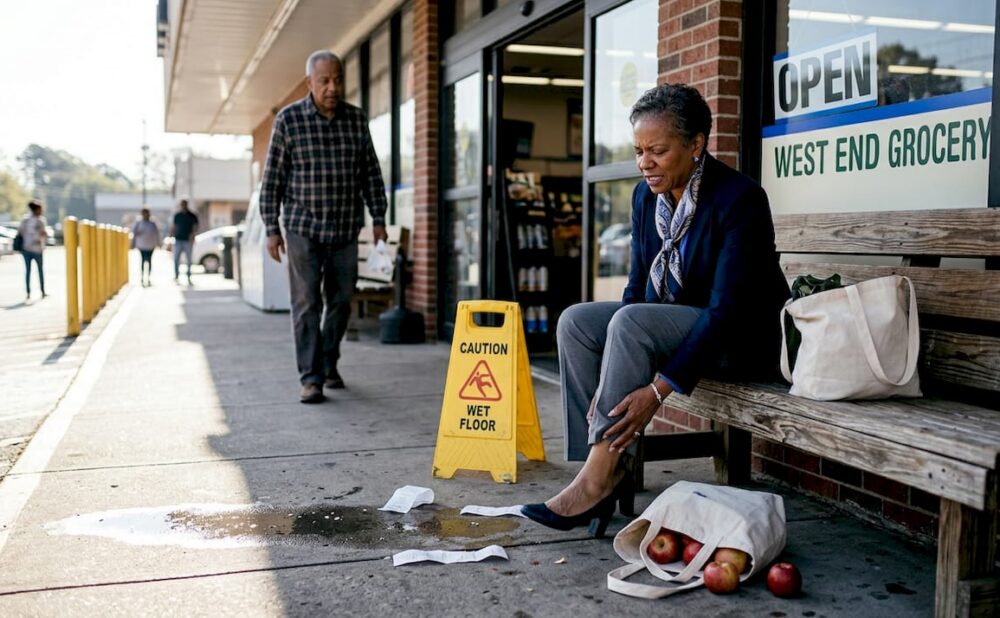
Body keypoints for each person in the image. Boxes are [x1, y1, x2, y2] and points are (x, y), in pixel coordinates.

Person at [522, 84, 790, 536]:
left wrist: (659, 390)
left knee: (631, 322)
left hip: (740, 338)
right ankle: (605, 466)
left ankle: (595, 483)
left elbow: (726, 312)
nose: (644, 163)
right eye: (639, 150)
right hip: (681, 324)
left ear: (696, 144)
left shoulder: (739, 198)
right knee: (578, 322)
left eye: (658, 151)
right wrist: (610, 365)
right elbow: (636, 287)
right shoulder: (647, 198)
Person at [260, 50, 388, 404]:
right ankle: (311, 377)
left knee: (342, 302)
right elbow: (273, 180)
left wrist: (379, 219)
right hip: (303, 228)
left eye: (338, 79)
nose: (333, 87)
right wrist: (272, 227)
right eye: (324, 81)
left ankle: (329, 363)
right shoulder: (288, 121)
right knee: (306, 304)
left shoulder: (356, 120)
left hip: (345, 229)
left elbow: (371, 174)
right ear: (309, 83)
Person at [18, 199, 48, 299]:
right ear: (36, 209)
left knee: (31, 271)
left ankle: (35, 291)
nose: (41, 210)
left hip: (31, 248)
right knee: (35, 271)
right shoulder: (37, 220)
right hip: (33, 249)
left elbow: (20, 232)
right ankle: (35, 292)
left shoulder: (27, 220)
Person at [170, 199, 198, 284]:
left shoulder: (192, 215)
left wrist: (193, 235)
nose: (183, 206)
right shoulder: (177, 215)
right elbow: (174, 227)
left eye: (185, 204)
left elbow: (196, 227)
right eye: (182, 204)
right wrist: (171, 235)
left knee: (189, 260)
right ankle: (176, 276)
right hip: (178, 239)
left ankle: (189, 277)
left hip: (187, 241)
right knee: (176, 259)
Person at [131, 208, 161, 286]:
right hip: (141, 245)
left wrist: (158, 244)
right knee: (143, 261)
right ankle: (142, 277)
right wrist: (132, 244)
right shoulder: (138, 223)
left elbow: (156, 234)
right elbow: (134, 233)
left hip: (151, 245)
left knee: (149, 261)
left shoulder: (152, 223)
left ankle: (148, 277)